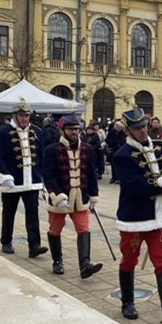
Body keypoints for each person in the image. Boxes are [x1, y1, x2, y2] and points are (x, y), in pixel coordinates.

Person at [112, 108, 162, 324]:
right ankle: (127, 302)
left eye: (144, 126)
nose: (143, 131)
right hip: (135, 218)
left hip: (160, 215)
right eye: (137, 128)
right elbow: (133, 185)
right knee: (129, 260)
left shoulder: (160, 146)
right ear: (128, 130)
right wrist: (158, 184)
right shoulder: (121, 156)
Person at [42, 115, 103, 278]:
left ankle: (85, 265)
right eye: (70, 129)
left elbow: (91, 174)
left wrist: (93, 196)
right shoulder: (52, 150)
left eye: (77, 129)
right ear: (63, 130)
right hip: (60, 198)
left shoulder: (87, 149)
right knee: (55, 230)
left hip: (80, 198)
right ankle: (57, 261)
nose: (74, 132)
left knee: (83, 229)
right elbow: (48, 175)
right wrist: (55, 195)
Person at [0, 100, 49, 257]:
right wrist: (3, 174)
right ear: (14, 116)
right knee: (9, 212)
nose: (24, 119)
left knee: (33, 213)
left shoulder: (37, 131)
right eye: (21, 115)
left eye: (27, 115)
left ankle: (34, 245)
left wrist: (44, 177)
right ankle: (6, 241)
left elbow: (42, 155)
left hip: (32, 181)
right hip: (12, 181)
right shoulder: (2, 133)